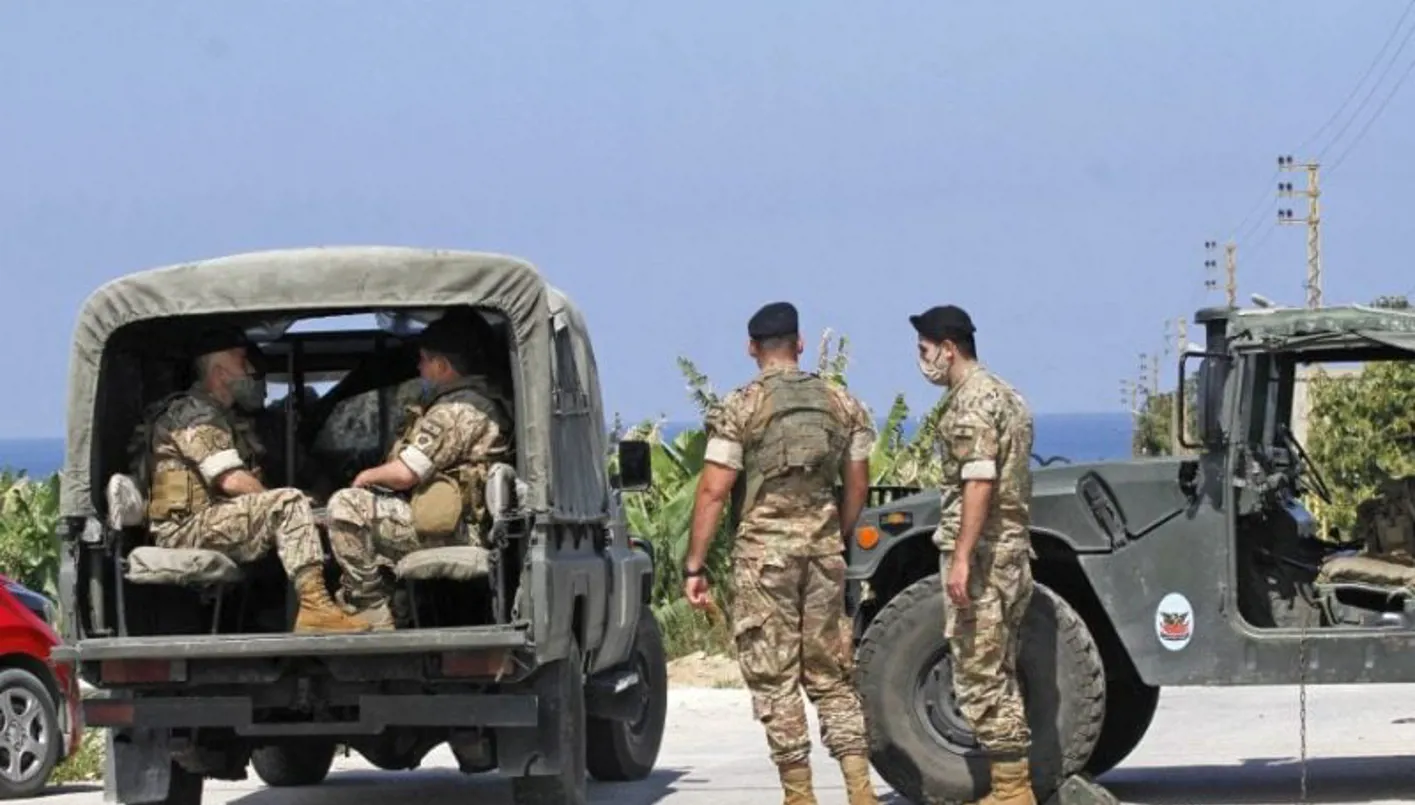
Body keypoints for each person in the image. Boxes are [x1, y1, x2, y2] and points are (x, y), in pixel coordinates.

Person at [682, 301, 879, 805]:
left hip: (764, 561)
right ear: (801, 344)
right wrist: (834, 533)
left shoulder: (740, 407)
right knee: (833, 677)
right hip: (824, 555)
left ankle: (800, 796)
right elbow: (858, 484)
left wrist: (695, 565)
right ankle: (860, 792)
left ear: (752, 348)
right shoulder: (843, 403)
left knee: (776, 681)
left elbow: (714, 491)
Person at [133, 327, 370, 634]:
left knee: (299, 506)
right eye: (241, 361)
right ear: (219, 373)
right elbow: (231, 480)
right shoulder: (193, 413)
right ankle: (315, 608)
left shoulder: (223, 415)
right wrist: (291, 505)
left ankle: (321, 608)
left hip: (208, 521)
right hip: (185, 529)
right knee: (287, 503)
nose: (249, 370)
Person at [910, 304, 1036, 804]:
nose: (921, 360)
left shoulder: (972, 403)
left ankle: (1013, 792)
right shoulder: (1007, 394)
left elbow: (979, 482)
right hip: (1011, 552)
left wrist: (962, 557)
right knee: (999, 670)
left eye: (924, 349)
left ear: (948, 348)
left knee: (978, 675)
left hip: (984, 558)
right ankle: (1012, 787)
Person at [325, 311, 514, 630]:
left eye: (424, 360)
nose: (419, 368)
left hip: (451, 530)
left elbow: (407, 473)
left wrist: (364, 478)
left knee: (346, 507)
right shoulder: (481, 401)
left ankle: (368, 608)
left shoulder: (457, 409)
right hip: (459, 522)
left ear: (442, 365)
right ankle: (396, 607)